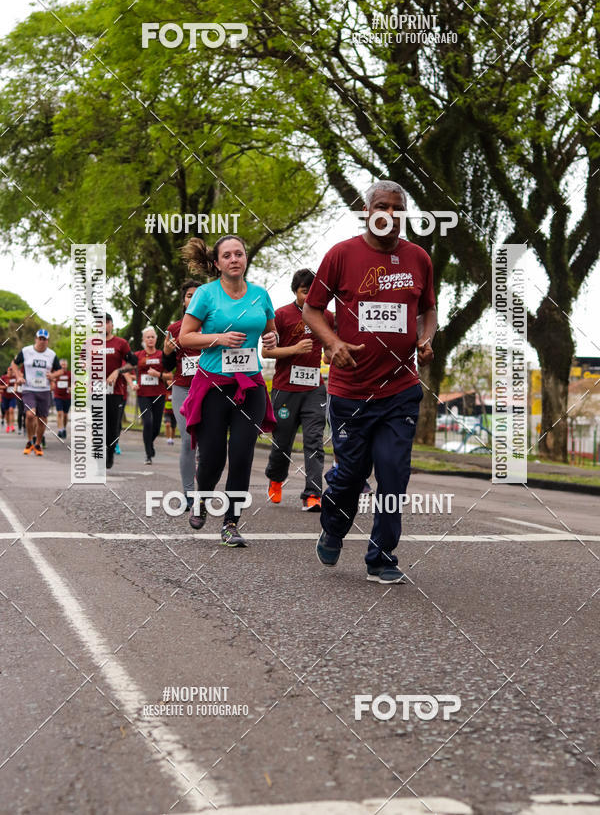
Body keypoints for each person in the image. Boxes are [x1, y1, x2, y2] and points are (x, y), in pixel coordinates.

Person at [303, 180, 437, 584]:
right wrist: (333, 343)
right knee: (351, 475)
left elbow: (428, 310)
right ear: (367, 212)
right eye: (382, 206)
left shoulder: (419, 258)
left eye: (398, 208)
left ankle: (381, 557)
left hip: (400, 389)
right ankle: (333, 526)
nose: (390, 214)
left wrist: (426, 339)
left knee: (394, 474)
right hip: (351, 391)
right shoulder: (341, 254)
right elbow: (312, 310)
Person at [179, 235, 277, 546]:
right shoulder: (206, 294)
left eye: (239, 254)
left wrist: (272, 339)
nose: (234, 259)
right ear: (218, 263)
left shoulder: (260, 295)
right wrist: (218, 339)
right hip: (214, 385)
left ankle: (231, 523)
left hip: (250, 385)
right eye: (227, 255)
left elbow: (271, 333)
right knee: (212, 456)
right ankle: (202, 498)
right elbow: (185, 337)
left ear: (246, 258)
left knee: (242, 454)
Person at [263, 268, 334, 512]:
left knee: (314, 441)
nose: (309, 296)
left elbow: (330, 348)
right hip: (285, 388)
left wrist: (330, 354)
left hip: (314, 389)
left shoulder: (327, 316)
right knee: (282, 442)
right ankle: (275, 478)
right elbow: (266, 352)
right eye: (305, 291)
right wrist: (294, 350)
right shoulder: (281, 316)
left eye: (314, 292)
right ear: (295, 291)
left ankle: (313, 494)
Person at [163, 279, 201, 509]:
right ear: (183, 301)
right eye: (189, 295)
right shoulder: (174, 328)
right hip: (183, 389)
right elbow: (167, 366)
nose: (193, 299)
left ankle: (204, 489)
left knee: (207, 442)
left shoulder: (214, 324)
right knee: (188, 440)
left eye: (198, 295)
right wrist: (166, 353)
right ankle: (189, 493)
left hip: (210, 389)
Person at [10, 329, 63, 457]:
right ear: (36, 339)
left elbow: (60, 370)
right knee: (30, 415)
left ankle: (38, 444)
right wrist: (19, 377)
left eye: (45, 339)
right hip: (29, 389)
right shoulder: (26, 351)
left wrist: (53, 375)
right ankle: (30, 440)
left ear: (48, 341)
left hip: (44, 390)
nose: (42, 341)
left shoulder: (51, 354)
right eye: (40, 338)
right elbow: (14, 364)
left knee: (42, 419)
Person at [101, 314, 138, 469]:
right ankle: (102, 452)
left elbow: (133, 363)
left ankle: (110, 452)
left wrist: (118, 371)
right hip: (96, 390)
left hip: (115, 391)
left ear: (111, 325)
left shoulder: (121, 343)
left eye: (105, 322)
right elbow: (82, 360)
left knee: (113, 426)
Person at [134, 327, 171, 465]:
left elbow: (170, 376)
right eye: (147, 337)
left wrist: (158, 374)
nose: (150, 339)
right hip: (143, 394)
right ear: (143, 339)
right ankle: (148, 453)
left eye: (152, 337)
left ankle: (149, 444)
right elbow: (128, 371)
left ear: (156, 339)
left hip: (159, 394)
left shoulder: (162, 355)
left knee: (156, 426)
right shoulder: (138, 355)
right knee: (147, 422)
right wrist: (133, 383)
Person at [52, 358, 71, 439]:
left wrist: (71, 388)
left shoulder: (69, 374)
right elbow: (52, 380)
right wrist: (53, 383)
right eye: (62, 365)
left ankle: (64, 428)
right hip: (58, 396)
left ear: (67, 365)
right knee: (60, 413)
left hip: (67, 396)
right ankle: (60, 430)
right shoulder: (56, 373)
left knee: (65, 415)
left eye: (64, 364)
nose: (63, 366)